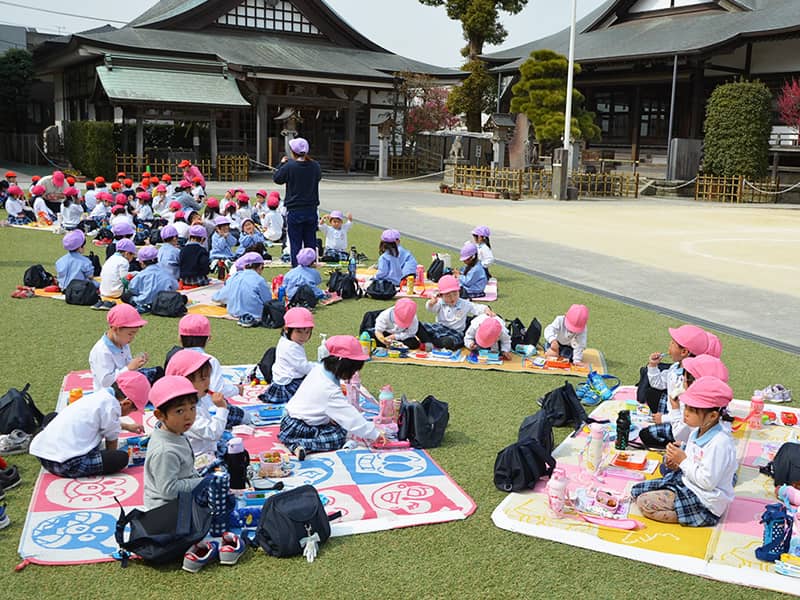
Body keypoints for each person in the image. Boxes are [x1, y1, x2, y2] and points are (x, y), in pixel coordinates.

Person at [631, 376, 737, 527]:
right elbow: (691, 461)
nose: (685, 413)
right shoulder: (697, 431)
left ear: (713, 416)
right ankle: (683, 510)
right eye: (686, 407)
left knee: (645, 503)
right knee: (637, 490)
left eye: (692, 410)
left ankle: (696, 516)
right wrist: (675, 462)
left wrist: (683, 461)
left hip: (704, 500)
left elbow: (707, 482)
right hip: (686, 484)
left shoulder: (720, 443)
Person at [143, 375, 234, 543]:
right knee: (217, 508)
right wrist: (202, 483)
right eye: (180, 411)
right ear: (159, 415)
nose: (188, 416)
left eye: (192, 408)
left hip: (181, 495)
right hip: (166, 510)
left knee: (223, 482)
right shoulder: (165, 451)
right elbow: (168, 490)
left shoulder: (174, 431)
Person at [279, 335, 384, 460]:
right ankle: (298, 443)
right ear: (344, 366)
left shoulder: (319, 369)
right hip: (299, 427)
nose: (353, 374)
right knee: (339, 435)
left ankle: (296, 442)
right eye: (353, 370)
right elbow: (352, 419)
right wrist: (376, 435)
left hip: (288, 420)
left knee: (339, 424)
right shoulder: (329, 390)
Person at [29, 371, 151, 478]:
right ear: (126, 403)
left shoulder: (100, 396)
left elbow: (106, 421)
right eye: (134, 410)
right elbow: (111, 441)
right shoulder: (112, 408)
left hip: (43, 453)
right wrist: (111, 456)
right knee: (120, 458)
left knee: (54, 417)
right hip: (65, 464)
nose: (132, 413)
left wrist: (128, 427)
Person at [638, 324, 709, 449]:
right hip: (675, 412)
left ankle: (681, 446)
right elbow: (658, 384)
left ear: (684, 352)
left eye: (672, 343)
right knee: (651, 393)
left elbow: (686, 416)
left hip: (683, 424)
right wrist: (653, 366)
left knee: (645, 435)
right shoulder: (675, 367)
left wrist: (664, 418)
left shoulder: (690, 381)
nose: (669, 346)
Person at [164, 350, 238, 458]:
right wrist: (222, 408)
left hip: (205, 453)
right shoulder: (183, 411)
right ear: (185, 382)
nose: (208, 382)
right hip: (196, 461)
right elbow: (212, 433)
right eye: (203, 379)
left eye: (208, 377)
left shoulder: (197, 400)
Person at [272, 137, 322, 266]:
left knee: (295, 243)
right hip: (311, 209)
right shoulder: (315, 165)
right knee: (310, 241)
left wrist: (282, 164)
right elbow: (318, 177)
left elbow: (277, 178)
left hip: (295, 209)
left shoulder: (289, 166)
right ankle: (311, 267)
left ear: (293, 151)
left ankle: (296, 268)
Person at [88, 303, 149, 391]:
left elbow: (127, 363)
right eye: (130, 334)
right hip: (109, 394)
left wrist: (136, 364)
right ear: (116, 329)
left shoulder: (123, 343)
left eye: (134, 334)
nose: (132, 337)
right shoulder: (102, 351)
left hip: (124, 386)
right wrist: (129, 368)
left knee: (157, 373)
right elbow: (105, 382)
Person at [262, 307, 315, 404]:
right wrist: (319, 368)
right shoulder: (291, 347)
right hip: (287, 385)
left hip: (283, 380)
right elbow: (304, 368)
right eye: (299, 332)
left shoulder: (286, 340)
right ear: (287, 329)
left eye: (307, 332)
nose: (303, 336)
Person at [423, 274, 488, 349]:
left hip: (456, 332)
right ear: (441, 295)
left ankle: (431, 340)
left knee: (448, 342)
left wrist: (486, 309)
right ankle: (431, 339)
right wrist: (431, 303)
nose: (452, 298)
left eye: (455, 294)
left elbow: (476, 307)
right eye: (448, 295)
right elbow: (431, 309)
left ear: (459, 292)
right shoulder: (440, 303)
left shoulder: (464, 303)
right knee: (422, 326)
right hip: (440, 328)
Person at [225, 252, 271, 327]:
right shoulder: (259, 280)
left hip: (232, 311)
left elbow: (219, 296)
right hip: (256, 314)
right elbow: (268, 301)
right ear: (260, 266)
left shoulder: (233, 277)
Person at [125, 246, 178, 311]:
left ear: (141, 262)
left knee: (125, 295)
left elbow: (132, 289)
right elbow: (175, 286)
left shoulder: (141, 275)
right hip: (164, 302)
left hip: (142, 301)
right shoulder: (167, 272)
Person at [96, 238, 136, 308]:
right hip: (116, 293)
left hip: (103, 291)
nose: (133, 257)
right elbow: (124, 280)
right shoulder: (124, 261)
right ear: (127, 253)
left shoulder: (110, 258)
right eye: (132, 255)